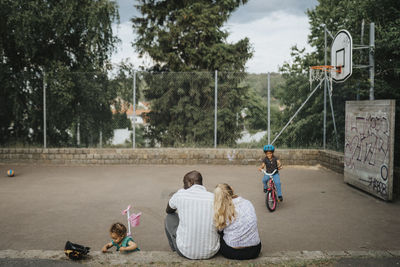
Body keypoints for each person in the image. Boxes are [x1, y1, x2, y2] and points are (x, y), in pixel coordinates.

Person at [165, 170, 220, 259]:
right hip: (211, 251)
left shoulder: (181, 194)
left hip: (185, 252)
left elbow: (168, 210)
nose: (183, 186)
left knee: (170, 217)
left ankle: (175, 248)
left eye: (184, 183)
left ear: (191, 182)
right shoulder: (213, 197)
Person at [213, 183, 261, 260]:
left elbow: (219, 229)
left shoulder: (223, 210)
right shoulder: (247, 202)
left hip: (233, 252)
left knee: (219, 231)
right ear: (231, 190)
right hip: (255, 250)